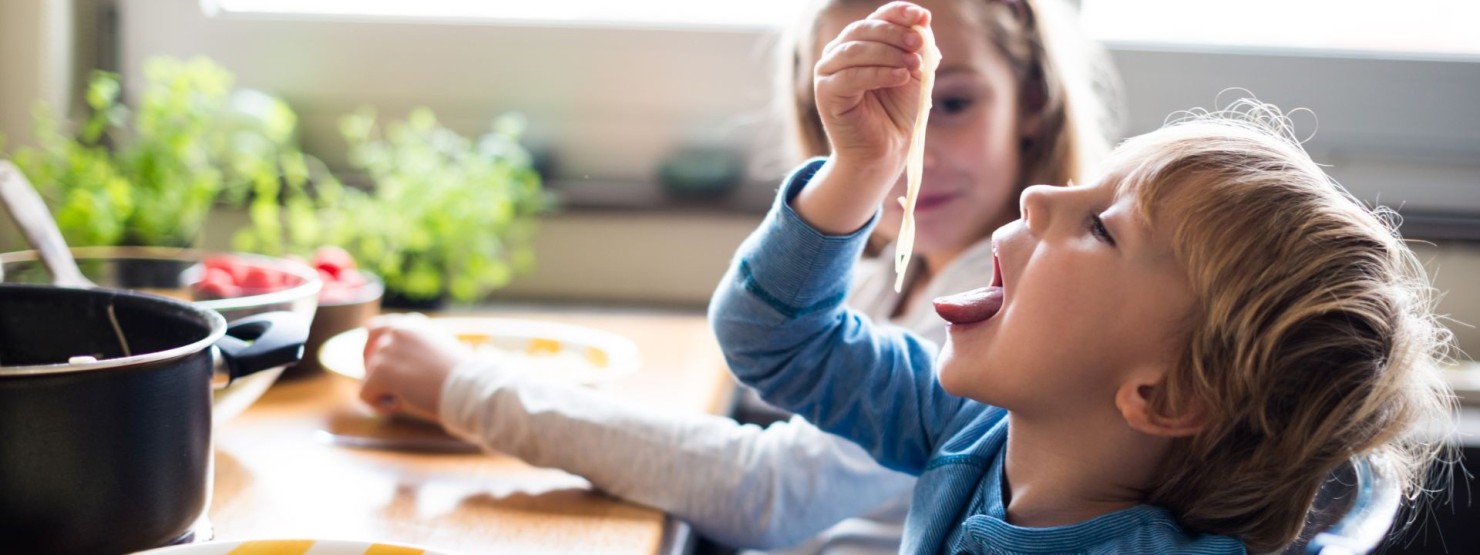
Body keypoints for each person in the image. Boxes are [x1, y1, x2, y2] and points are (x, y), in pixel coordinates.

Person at [358, 0, 1118, 552]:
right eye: (866, 111)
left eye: (950, 103)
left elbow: (769, 492)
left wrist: (471, 389)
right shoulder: (884, 269)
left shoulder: (1012, 321)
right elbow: (770, 348)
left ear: (1033, 103)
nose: (914, 146)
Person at [707, 4, 1455, 553]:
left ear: (1165, 395)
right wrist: (859, 170)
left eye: (1102, 225)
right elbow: (776, 338)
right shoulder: (964, 425)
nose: (1039, 196)